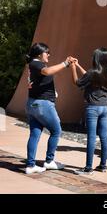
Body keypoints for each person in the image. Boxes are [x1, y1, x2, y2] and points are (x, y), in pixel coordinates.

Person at [25, 42, 72, 174]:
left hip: (33, 104)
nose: (49, 55)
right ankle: (49, 161)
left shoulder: (33, 65)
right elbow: (46, 72)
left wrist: (53, 92)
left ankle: (30, 165)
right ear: (40, 54)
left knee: (35, 134)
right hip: (42, 104)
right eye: (47, 52)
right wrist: (65, 63)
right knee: (56, 131)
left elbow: (39, 81)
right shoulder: (37, 64)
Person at [70, 48, 107, 175]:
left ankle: (88, 168)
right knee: (104, 137)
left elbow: (77, 82)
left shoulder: (93, 72)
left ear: (96, 59)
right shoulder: (106, 73)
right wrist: (78, 65)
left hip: (93, 108)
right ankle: (103, 165)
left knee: (91, 137)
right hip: (105, 108)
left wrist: (72, 67)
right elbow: (88, 77)